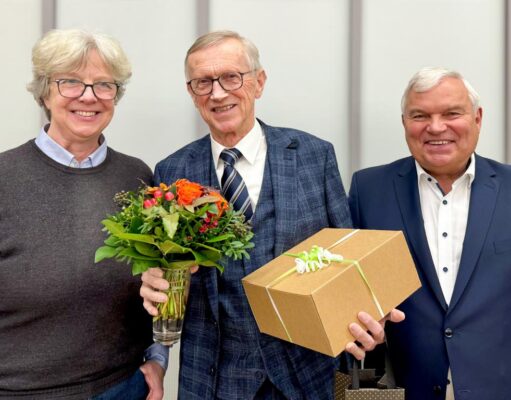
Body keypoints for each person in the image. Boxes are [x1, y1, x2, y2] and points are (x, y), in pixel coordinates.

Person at [140, 30, 404, 400]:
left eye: (232, 77)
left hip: (308, 374)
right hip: (214, 379)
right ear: (191, 92)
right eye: (203, 82)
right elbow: (164, 276)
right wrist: (156, 278)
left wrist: (367, 319)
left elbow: (348, 256)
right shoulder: (171, 171)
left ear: (259, 82)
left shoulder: (314, 154)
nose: (218, 92)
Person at [0, 29, 167, 399]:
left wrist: (157, 359)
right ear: (45, 91)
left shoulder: (138, 176)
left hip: (122, 387)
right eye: (70, 82)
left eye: (104, 85)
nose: (88, 97)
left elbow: (159, 279)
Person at [349, 67, 511, 400]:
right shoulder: (368, 189)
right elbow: (351, 291)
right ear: (404, 122)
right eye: (420, 115)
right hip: (408, 387)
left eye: (452, 113)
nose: (436, 127)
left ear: (478, 118)